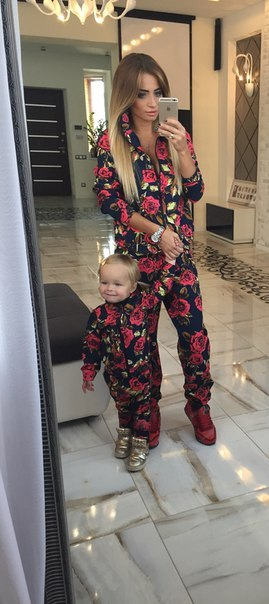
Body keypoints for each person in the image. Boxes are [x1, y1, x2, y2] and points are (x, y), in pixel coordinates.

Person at [93, 53, 216, 446]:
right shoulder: (111, 142)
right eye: (142, 93)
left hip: (178, 260)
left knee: (194, 336)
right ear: (126, 96)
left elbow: (196, 191)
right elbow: (109, 200)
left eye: (158, 92)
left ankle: (198, 405)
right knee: (141, 344)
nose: (151, 102)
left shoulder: (175, 134)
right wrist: (156, 232)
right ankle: (148, 410)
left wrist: (182, 151)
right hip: (136, 266)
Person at [81, 254, 177, 472]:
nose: (109, 288)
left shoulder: (142, 304)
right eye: (104, 282)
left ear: (133, 287)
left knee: (142, 411)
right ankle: (124, 435)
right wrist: (89, 372)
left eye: (117, 284)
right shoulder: (99, 315)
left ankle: (140, 444)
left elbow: (161, 288)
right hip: (115, 377)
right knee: (123, 408)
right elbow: (91, 345)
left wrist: (170, 264)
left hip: (141, 374)